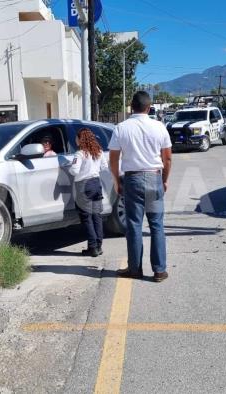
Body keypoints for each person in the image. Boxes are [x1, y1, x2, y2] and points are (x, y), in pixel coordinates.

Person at [109, 91, 173, 282]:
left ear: (131, 106)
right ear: (149, 107)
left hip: (132, 179)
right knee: (156, 225)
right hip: (154, 177)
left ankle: (135, 269)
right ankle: (159, 270)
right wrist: (164, 180)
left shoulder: (121, 128)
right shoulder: (159, 127)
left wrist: (116, 180)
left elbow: (113, 159)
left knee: (134, 226)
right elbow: (167, 158)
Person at [66, 128, 107, 257]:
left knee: (86, 217)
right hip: (96, 183)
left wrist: (69, 166)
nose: (75, 140)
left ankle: (92, 247)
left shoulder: (79, 154)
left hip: (84, 185)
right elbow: (104, 167)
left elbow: (74, 171)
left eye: (77, 138)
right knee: (97, 216)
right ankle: (98, 246)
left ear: (80, 139)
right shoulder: (98, 152)